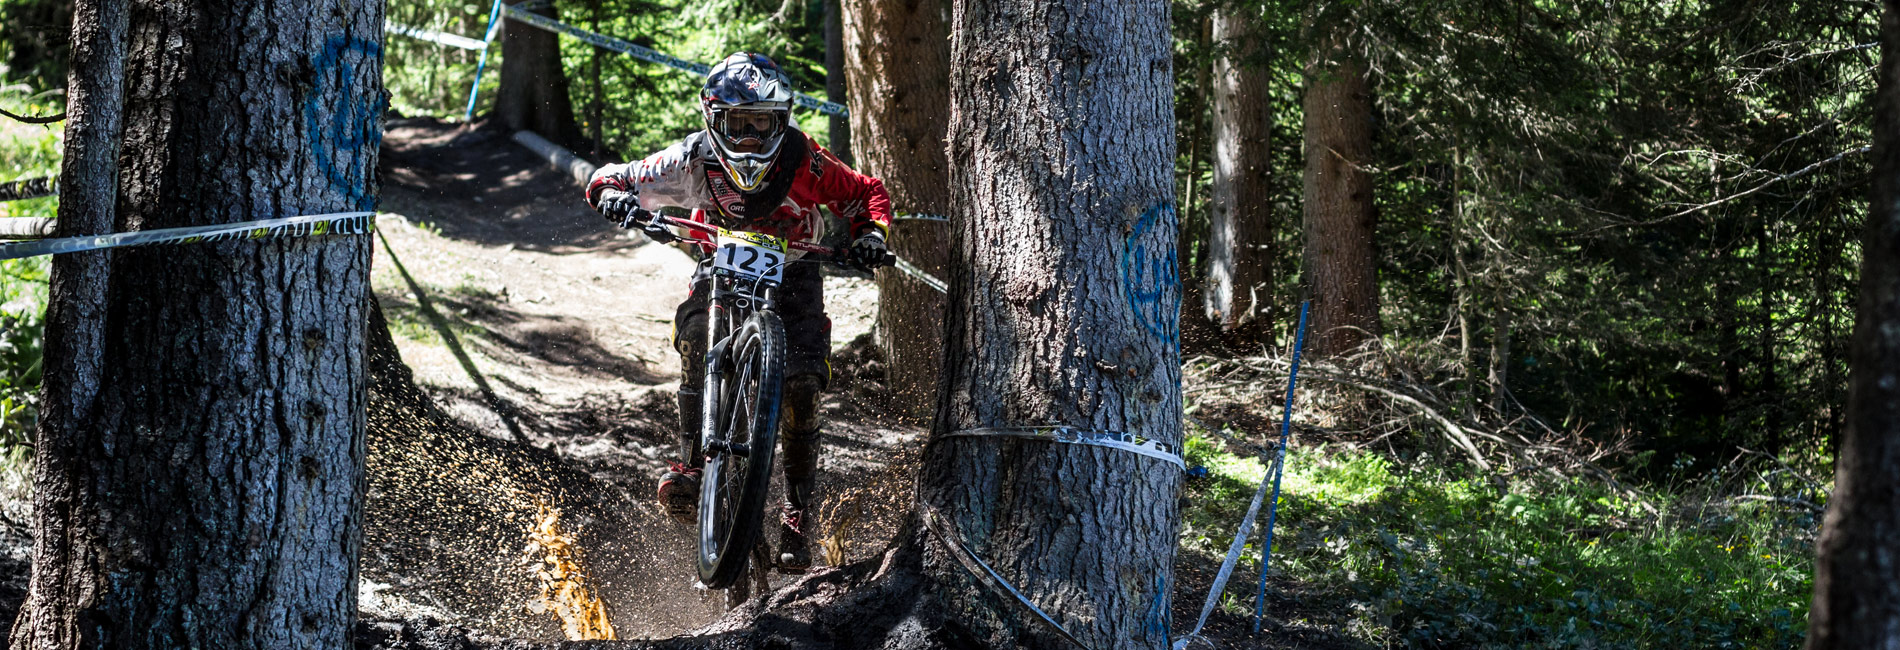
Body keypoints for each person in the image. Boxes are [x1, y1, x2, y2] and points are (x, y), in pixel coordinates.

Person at [585, 52, 892, 573]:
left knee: (802, 387)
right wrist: (615, 198)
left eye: (762, 125)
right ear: (713, 118)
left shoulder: (804, 161)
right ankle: (690, 463)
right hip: (718, 267)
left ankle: (797, 514)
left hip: (795, 272)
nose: (749, 138)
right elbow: (611, 178)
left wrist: (870, 236)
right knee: (697, 331)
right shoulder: (693, 159)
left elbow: (867, 194)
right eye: (738, 125)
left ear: (782, 122)